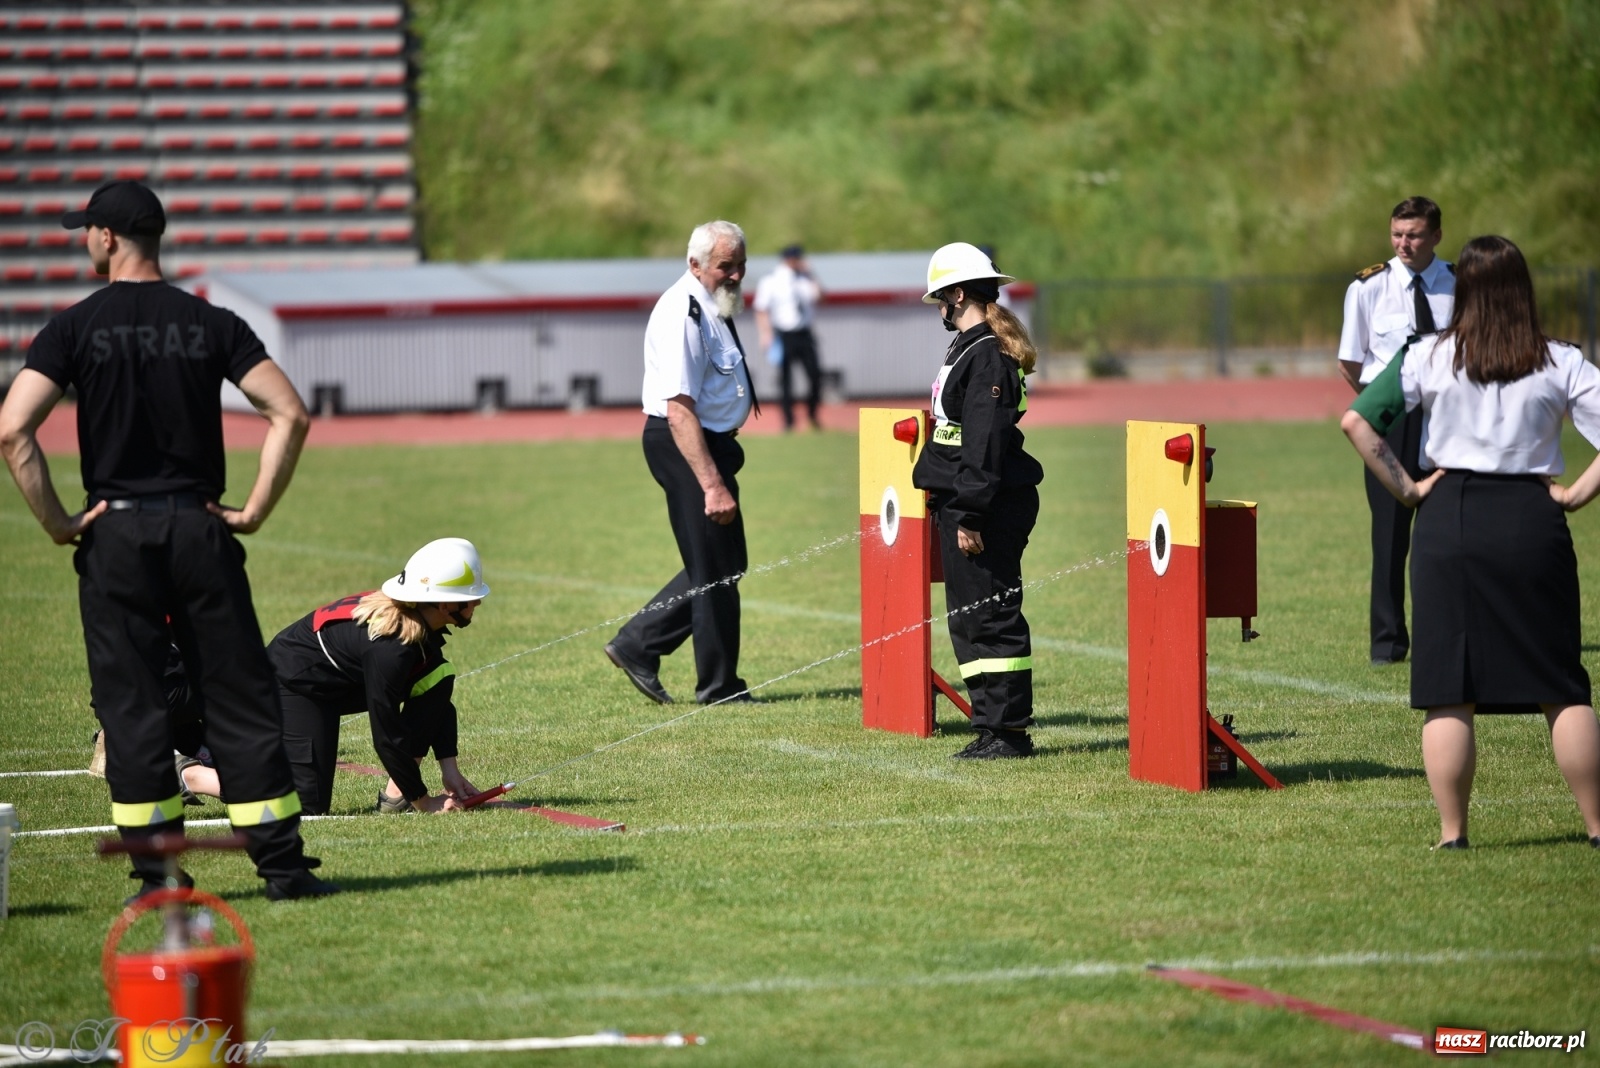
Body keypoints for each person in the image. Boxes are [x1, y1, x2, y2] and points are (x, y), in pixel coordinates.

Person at [0, 179, 335, 901]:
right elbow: (290, 414)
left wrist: (58, 522)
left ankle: (156, 875)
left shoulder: (73, 326)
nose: (82, 240)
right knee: (240, 697)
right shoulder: (209, 321)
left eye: (85, 230)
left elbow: (12, 427)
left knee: (133, 706)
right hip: (197, 527)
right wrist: (252, 510)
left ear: (109, 238)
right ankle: (282, 870)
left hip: (115, 533)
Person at [1341, 235, 1600, 851]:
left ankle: (1453, 833)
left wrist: (1407, 489)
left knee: (1447, 690)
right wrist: (1576, 494)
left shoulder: (1428, 355)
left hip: (1449, 517)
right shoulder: (1560, 359)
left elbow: (1357, 422)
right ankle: (1596, 826)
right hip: (1532, 519)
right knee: (1561, 684)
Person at [605, 220, 759, 706]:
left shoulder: (710, 303)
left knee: (727, 563)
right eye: (724, 266)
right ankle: (715, 685)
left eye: (740, 266)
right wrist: (712, 484)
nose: (735, 276)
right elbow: (678, 409)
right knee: (714, 565)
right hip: (685, 443)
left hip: (705, 443)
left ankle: (639, 645)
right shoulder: (683, 311)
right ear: (694, 265)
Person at [911, 242, 1045, 759]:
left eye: (941, 298)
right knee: (970, 618)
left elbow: (985, 446)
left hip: (986, 506)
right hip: (966, 502)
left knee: (991, 616)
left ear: (958, 294)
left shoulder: (986, 354)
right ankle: (992, 726)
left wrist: (968, 513)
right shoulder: (971, 346)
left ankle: (1008, 733)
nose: (939, 309)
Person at [265, 538, 489, 815]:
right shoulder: (392, 649)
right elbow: (386, 734)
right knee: (306, 808)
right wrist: (423, 801)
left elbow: (436, 695)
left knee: (436, 675)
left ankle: (396, 796)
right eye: (469, 598)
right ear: (445, 605)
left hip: (336, 680)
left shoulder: (413, 619)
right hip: (292, 683)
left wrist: (450, 770)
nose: (477, 602)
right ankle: (197, 776)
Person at [1337, 196, 1455, 665]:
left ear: (1436, 237)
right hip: (1392, 424)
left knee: (1445, 532)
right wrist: (1382, 410)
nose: (1404, 244)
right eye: (1397, 234)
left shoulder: (1459, 284)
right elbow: (1351, 361)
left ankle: (1441, 632)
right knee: (1389, 537)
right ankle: (1388, 643)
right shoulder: (1368, 288)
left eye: (1414, 235)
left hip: (1446, 416)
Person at [754, 244, 824, 431]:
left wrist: (811, 274)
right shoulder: (772, 280)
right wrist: (765, 334)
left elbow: (820, 296)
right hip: (784, 334)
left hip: (804, 333)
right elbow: (761, 309)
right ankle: (788, 421)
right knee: (786, 379)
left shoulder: (805, 279)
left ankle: (812, 415)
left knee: (815, 375)